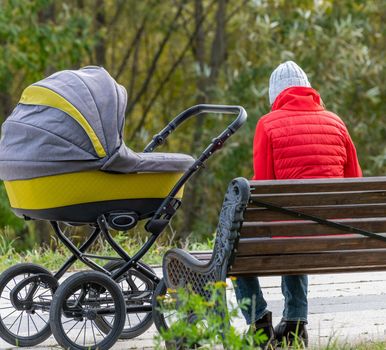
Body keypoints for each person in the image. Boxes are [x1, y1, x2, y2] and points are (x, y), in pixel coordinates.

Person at [234, 61, 362, 347]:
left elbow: (264, 189)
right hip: (335, 236)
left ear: (275, 96)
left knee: (234, 245)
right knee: (296, 222)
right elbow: (355, 180)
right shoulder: (336, 122)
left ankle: (258, 323)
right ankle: (294, 323)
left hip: (291, 234)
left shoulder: (268, 125)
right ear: (308, 90)